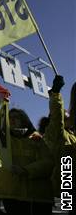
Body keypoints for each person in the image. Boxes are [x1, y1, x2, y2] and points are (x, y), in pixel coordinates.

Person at [0, 108, 54, 215]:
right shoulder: (1, 141)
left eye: (16, 117)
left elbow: (48, 162)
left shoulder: (38, 139)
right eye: (9, 118)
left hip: (39, 197)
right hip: (11, 197)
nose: (12, 120)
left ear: (24, 120)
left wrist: (26, 171)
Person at [44, 76, 76, 215]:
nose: (67, 117)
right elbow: (57, 118)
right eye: (65, 117)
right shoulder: (60, 135)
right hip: (69, 189)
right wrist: (55, 93)